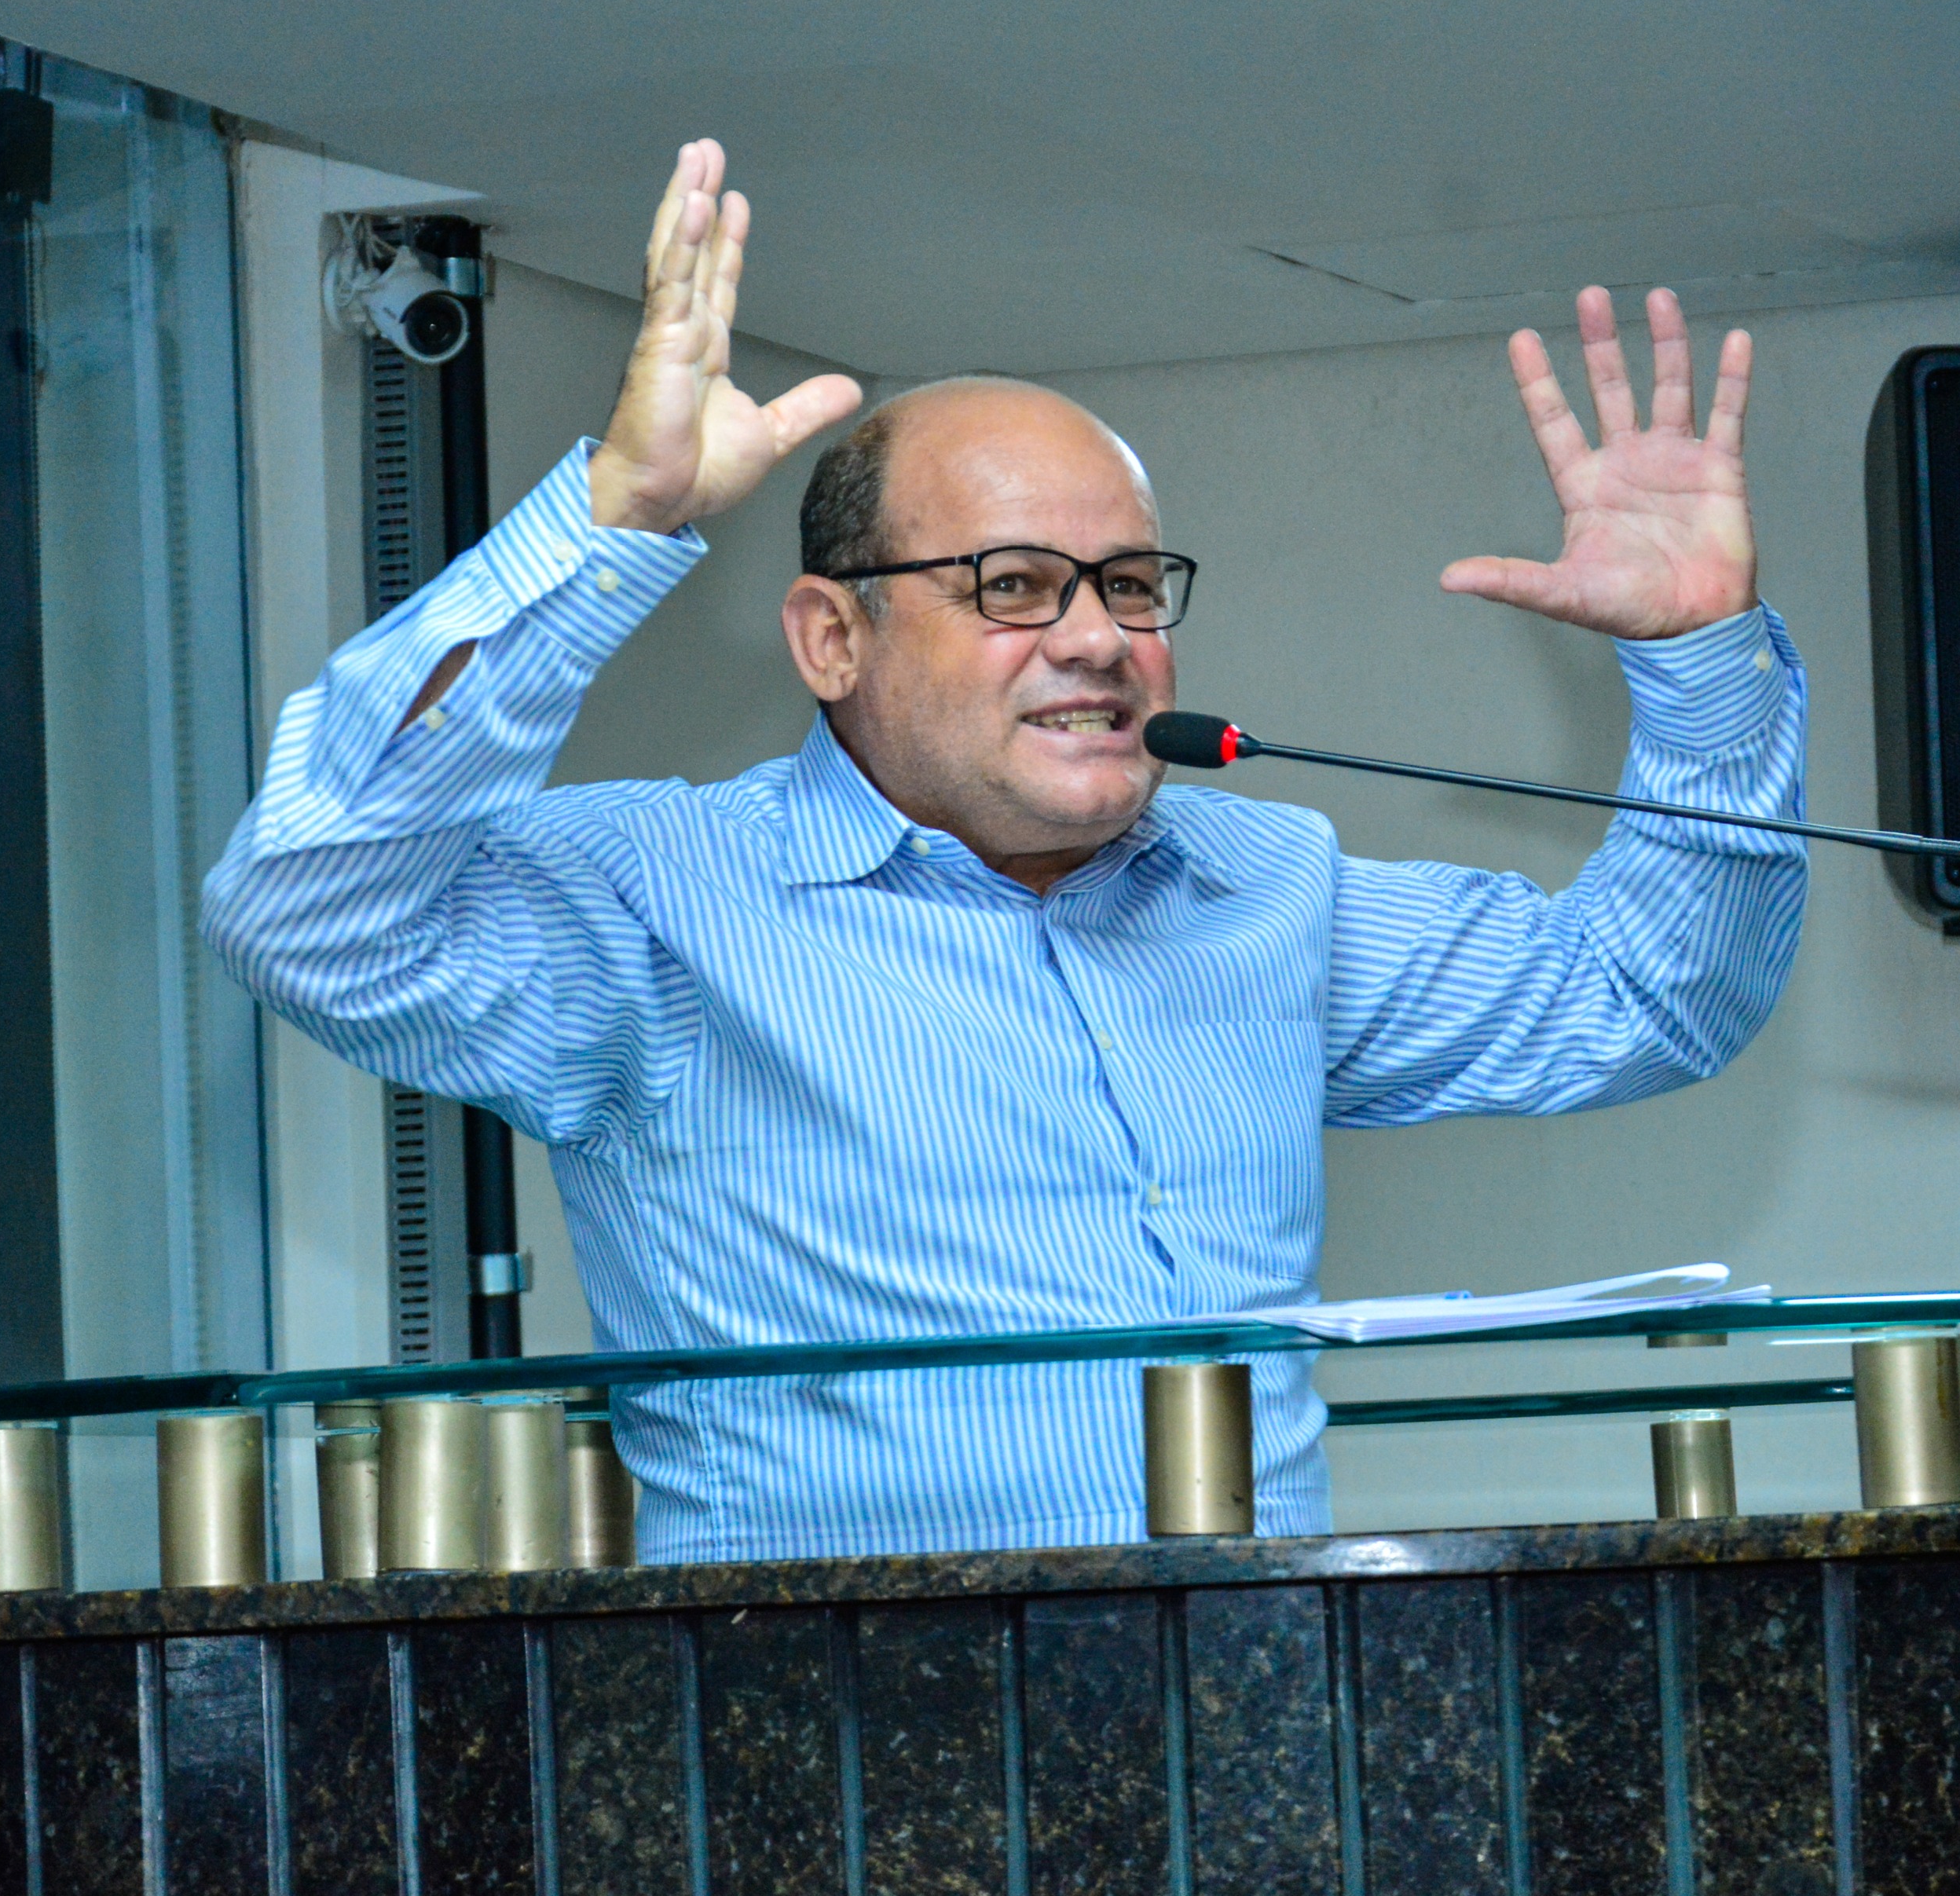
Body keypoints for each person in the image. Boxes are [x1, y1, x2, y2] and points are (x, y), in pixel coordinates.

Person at [203, 142, 1809, 1562]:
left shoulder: (1270, 888)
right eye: (1015, 586)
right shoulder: (657, 899)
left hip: (1262, 1715)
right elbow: (308, 908)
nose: (1099, 638)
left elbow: (1650, 996)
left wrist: (1699, 658)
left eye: (1131, 585)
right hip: (854, 1742)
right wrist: (610, 525)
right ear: (832, 638)